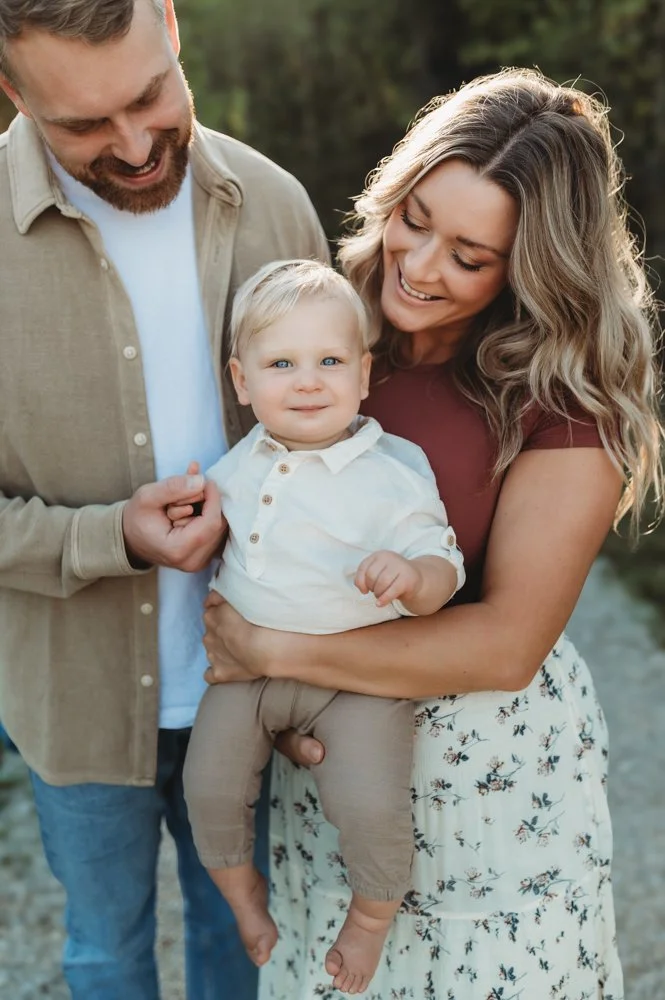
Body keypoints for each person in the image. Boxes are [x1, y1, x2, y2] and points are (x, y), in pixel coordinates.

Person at [199, 68, 664, 998]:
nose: (416, 266)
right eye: (413, 221)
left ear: (529, 267)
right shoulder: (324, 324)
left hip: (488, 781)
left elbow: (505, 646)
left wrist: (272, 654)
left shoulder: (566, 399)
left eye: (468, 256)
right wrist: (280, 707)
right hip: (330, 761)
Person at [0, 1, 327, 998]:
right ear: (12, 94)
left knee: (249, 947)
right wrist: (112, 537)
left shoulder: (276, 205)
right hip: (74, 700)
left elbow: (342, 446)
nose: (137, 145)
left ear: (173, 29)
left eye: (149, 97)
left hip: (255, 694)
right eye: (84, 125)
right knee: (105, 952)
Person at [175, 259, 464, 992]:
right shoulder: (238, 466)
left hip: (356, 677)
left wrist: (414, 577)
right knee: (207, 786)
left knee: (368, 803)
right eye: (281, 364)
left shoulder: (392, 468)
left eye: (329, 362)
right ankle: (244, 896)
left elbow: (443, 561)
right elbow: (211, 534)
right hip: (249, 677)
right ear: (242, 382)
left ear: (363, 374)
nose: (307, 382)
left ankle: (370, 916)